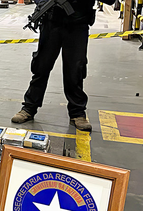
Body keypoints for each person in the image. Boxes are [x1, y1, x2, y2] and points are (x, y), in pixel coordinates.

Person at [11, 0, 115, 131]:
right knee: (41, 67)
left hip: (78, 24)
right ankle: (29, 107)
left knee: (75, 69)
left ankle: (77, 113)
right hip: (51, 22)